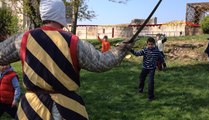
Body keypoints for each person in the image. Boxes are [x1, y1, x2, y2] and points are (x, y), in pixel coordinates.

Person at [0, 0, 134, 119]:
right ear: (61, 14)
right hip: (66, 107)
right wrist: (123, 48)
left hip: (32, 108)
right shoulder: (74, 42)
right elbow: (101, 62)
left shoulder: (23, 38)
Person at [130, 37, 164, 101]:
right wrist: (130, 50)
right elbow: (137, 54)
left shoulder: (157, 51)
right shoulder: (145, 50)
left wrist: (160, 64)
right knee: (141, 79)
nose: (150, 46)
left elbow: (161, 58)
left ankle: (151, 97)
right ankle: (140, 89)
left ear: (154, 44)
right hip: (145, 68)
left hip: (152, 69)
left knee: (150, 82)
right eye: (149, 44)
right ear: (147, 44)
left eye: (152, 44)